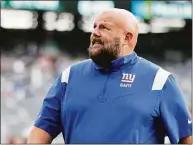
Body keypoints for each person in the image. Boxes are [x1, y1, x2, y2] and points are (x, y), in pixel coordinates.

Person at [27, 8, 192, 144]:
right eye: (94, 26)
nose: (95, 33)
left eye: (104, 28)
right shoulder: (69, 77)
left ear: (127, 38)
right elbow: (41, 131)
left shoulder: (160, 81)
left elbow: (185, 139)